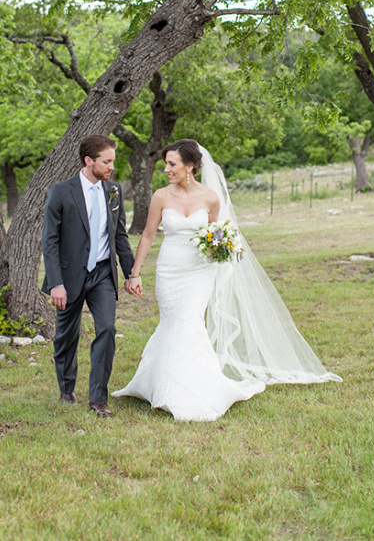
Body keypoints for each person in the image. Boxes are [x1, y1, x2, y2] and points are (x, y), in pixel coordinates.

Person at [113, 139, 341, 421]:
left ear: (190, 166)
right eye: (166, 164)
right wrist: (135, 272)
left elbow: (217, 234)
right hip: (169, 270)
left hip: (199, 272)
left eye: (172, 164)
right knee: (172, 322)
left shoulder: (210, 198)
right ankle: (160, 383)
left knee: (189, 320)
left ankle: (192, 389)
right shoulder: (161, 196)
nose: (167, 170)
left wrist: (221, 246)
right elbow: (147, 235)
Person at [42, 135, 135, 417]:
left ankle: (98, 398)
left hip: (103, 274)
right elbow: (50, 241)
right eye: (106, 162)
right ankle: (66, 388)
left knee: (106, 329)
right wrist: (56, 283)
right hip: (69, 277)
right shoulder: (61, 191)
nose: (111, 167)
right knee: (66, 336)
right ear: (88, 161)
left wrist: (132, 273)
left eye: (112, 161)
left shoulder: (114, 191)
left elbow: (119, 237)